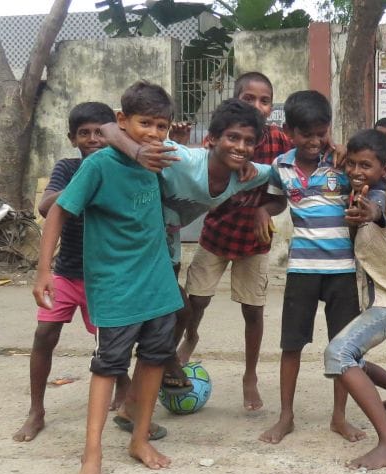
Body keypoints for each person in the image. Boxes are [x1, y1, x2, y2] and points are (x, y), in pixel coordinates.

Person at [34, 80, 184, 474]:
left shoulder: (157, 162)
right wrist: (44, 270)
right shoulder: (97, 166)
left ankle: (139, 438)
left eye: (161, 126)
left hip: (157, 285)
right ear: (122, 121)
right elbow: (57, 213)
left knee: (154, 359)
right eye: (145, 123)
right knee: (108, 367)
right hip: (115, 287)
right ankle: (92, 453)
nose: (154, 133)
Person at [103, 98, 277, 431]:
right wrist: (138, 152)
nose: (240, 147)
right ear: (211, 138)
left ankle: (134, 406)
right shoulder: (182, 158)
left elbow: (292, 173)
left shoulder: (248, 175)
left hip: (165, 249)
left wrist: (265, 207)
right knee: (170, 315)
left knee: (170, 317)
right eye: (232, 138)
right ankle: (140, 393)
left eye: (248, 141)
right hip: (135, 246)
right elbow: (110, 128)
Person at [177, 72, 292, 412]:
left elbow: (283, 195)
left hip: (254, 241)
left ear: (272, 106)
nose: (257, 105)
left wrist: (264, 211)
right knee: (195, 300)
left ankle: (250, 375)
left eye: (265, 100)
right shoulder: (223, 139)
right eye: (249, 99)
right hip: (216, 233)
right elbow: (197, 174)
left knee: (253, 310)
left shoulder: (280, 144)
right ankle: (191, 336)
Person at [259, 90, 366, 444]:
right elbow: (275, 202)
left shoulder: (340, 162)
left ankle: (339, 417)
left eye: (322, 132)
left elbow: (370, 181)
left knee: (344, 345)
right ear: (289, 131)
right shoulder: (281, 166)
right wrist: (263, 211)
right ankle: (286, 416)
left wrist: (347, 160)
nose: (315, 141)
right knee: (291, 344)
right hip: (302, 269)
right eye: (307, 134)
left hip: (342, 271)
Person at [13, 102, 119, 443]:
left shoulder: (119, 169)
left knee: (112, 342)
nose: (93, 139)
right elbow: (46, 207)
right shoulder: (69, 168)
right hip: (66, 272)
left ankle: (126, 392)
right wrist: (85, 178)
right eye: (84, 133)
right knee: (44, 335)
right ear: (72, 138)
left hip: (104, 276)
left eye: (100, 132)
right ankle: (36, 410)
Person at [325, 128, 386, 470]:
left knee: (339, 354)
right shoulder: (357, 192)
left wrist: (371, 212)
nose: (355, 171)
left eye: (365, 165)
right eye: (351, 164)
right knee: (354, 358)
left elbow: (381, 210)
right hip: (385, 299)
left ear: (384, 169)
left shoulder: (384, 196)